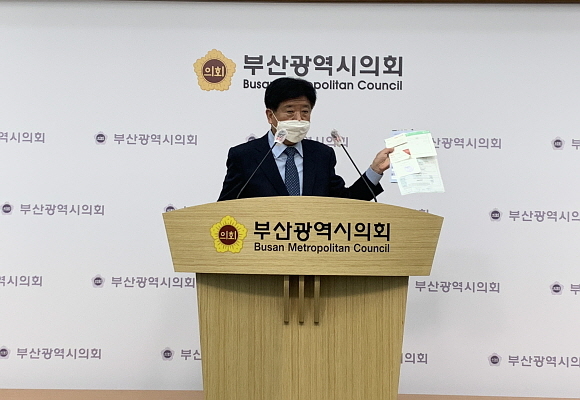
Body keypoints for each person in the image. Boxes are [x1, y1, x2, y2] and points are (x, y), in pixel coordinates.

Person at [218, 77, 393, 201]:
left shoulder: (321, 155)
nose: (298, 119)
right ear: (270, 116)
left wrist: (375, 170)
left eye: (305, 112)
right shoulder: (244, 156)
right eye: (289, 111)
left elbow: (345, 204)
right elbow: (225, 208)